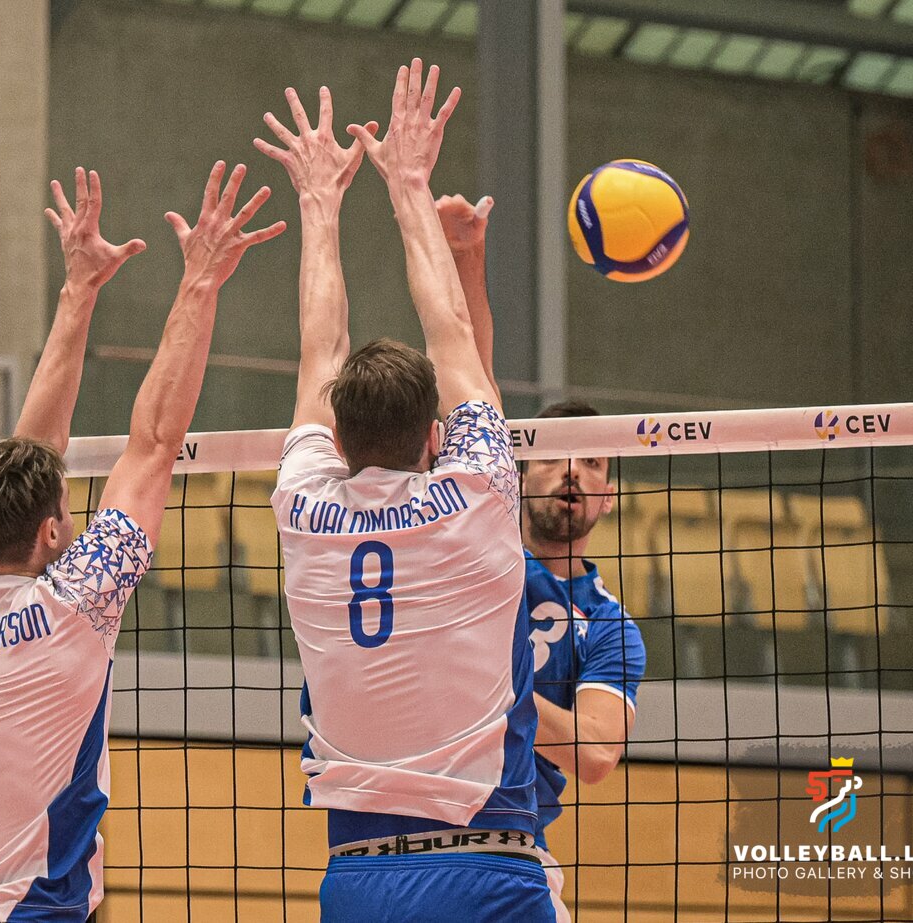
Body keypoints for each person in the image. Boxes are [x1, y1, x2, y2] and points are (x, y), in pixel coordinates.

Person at [0, 164, 283, 921]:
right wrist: (200, 279)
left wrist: (78, 290)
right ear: (51, 531)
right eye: (67, 508)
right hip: (30, 911)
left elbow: (32, 454)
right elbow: (154, 441)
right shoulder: (73, 605)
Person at [257, 60, 554, 921]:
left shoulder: (303, 509)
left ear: (338, 437)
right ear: (435, 436)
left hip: (357, 879)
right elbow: (452, 331)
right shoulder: (478, 492)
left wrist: (319, 201)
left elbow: (320, 348)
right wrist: (409, 185)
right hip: (489, 868)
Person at [436, 194, 647, 922]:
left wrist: (493, 692)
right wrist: (467, 258)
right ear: (519, 473)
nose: (573, 472)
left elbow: (596, 755)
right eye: (556, 457)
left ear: (609, 496)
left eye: (593, 463)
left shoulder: (610, 627)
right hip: (415, 823)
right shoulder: (481, 542)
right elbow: (469, 382)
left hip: (514, 845)